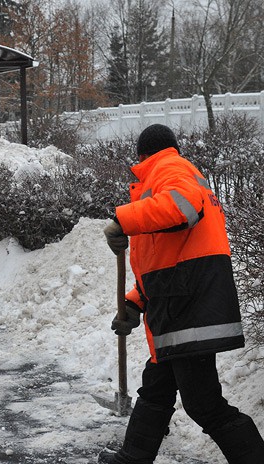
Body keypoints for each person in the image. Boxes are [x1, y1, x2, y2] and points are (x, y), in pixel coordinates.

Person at [100, 124, 264, 464]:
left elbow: (183, 209)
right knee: (157, 386)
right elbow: (166, 259)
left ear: (143, 154)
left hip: (190, 310)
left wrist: (123, 220)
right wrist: (135, 302)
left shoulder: (170, 168)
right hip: (181, 304)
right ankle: (133, 458)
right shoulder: (172, 173)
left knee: (203, 403)